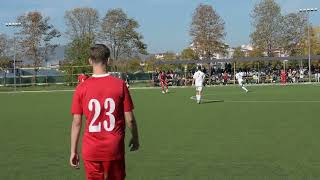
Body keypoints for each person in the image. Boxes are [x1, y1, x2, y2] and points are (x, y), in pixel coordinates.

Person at [70, 44, 140, 180]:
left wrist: (73, 150)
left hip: (91, 150)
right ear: (108, 60)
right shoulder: (120, 85)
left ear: (90, 61)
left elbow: (77, 123)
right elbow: (130, 119)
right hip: (114, 148)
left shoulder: (81, 88)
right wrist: (135, 138)